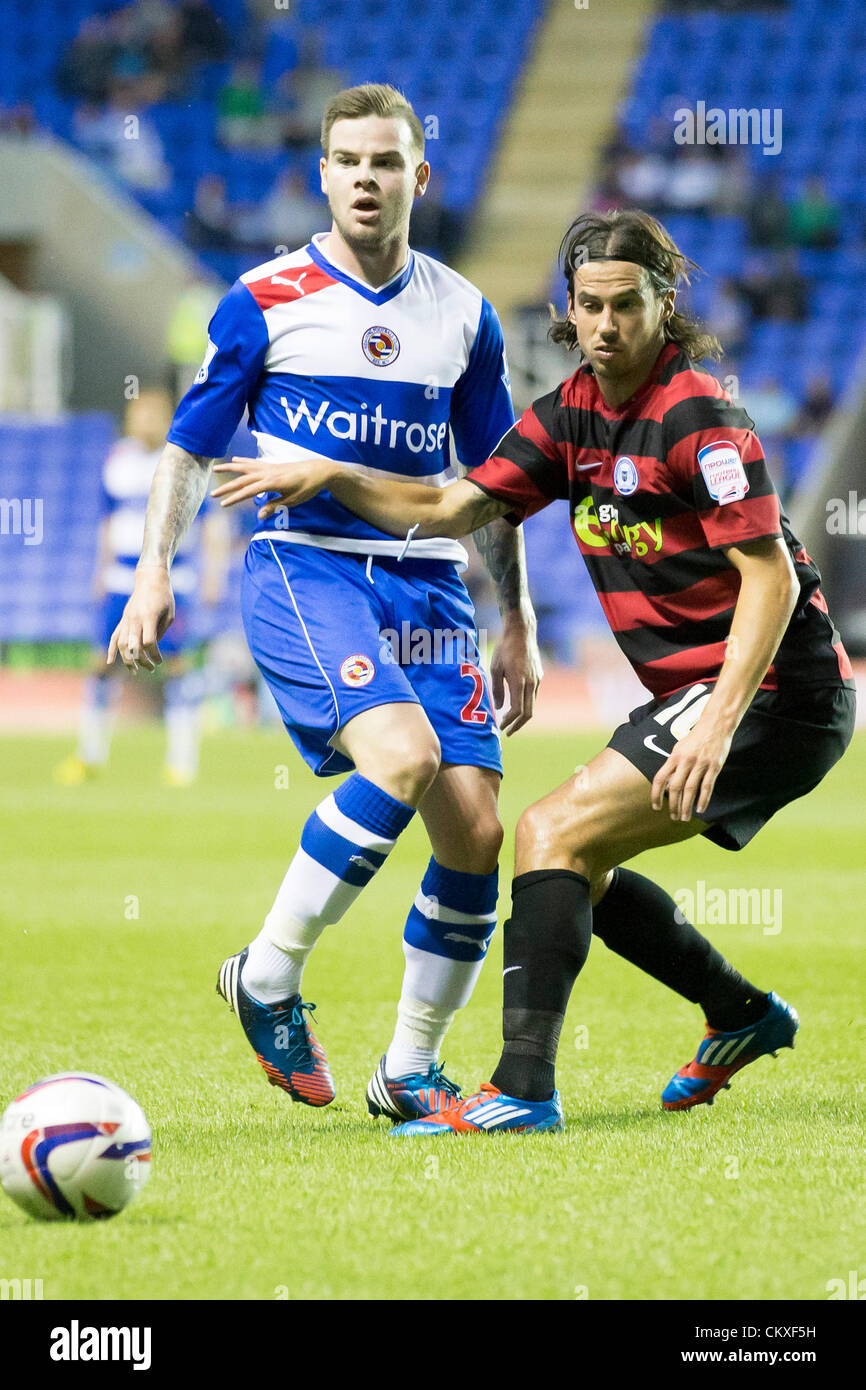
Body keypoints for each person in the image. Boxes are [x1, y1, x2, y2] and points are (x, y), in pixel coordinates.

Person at [219, 208, 856, 1136]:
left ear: (663, 303)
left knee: (548, 834)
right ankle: (741, 1013)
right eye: (589, 306)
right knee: (575, 875)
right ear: (569, 310)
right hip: (707, 693)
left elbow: (773, 577)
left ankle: (523, 1089)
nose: (606, 325)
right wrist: (335, 474)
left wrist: (720, 719)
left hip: (776, 694)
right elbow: (448, 504)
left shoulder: (700, 418)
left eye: (626, 304)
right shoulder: (570, 416)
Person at [109, 84, 541, 1122]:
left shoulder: (463, 315)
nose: (364, 177)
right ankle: (265, 975)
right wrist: (153, 571)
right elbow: (190, 444)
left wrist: (514, 618)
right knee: (400, 758)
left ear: (417, 178)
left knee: (477, 834)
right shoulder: (263, 295)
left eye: (384, 162)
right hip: (309, 567)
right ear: (322, 175)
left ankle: (406, 1069)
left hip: (429, 580)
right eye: (346, 160)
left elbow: (492, 483)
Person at [55, 389, 228, 787]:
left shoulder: (182, 462)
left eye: (153, 413)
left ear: (167, 417)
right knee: (102, 663)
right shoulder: (117, 462)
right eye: (139, 412)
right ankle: (89, 756)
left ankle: (181, 763)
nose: (145, 420)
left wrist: (213, 576)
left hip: (172, 580)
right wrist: (99, 573)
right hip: (120, 579)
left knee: (176, 669)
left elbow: (211, 526)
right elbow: (106, 522)